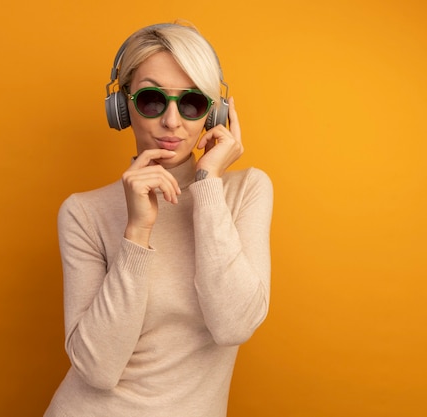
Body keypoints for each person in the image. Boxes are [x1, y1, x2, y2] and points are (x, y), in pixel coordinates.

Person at [44, 21, 273, 417]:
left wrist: (207, 183)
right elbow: (97, 370)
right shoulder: (83, 213)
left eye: (192, 103)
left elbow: (233, 324)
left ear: (213, 112)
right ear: (122, 107)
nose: (171, 121)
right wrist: (137, 232)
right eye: (152, 100)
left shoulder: (245, 191)